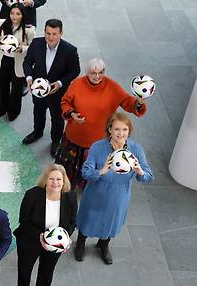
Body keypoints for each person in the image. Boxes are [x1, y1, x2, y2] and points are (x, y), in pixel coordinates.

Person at [55, 58, 147, 190]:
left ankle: (88, 187)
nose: (97, 76)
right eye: (93, 73)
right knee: (67, 172)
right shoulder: (76, 84)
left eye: (101, 72)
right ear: (87, 72)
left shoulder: (113, 87)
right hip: (74, 139)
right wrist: (72, 114)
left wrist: (139, 101)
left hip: (98, 142)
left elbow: (129, 103)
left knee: (94, 172)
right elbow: (65, 102)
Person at [75, 113, 153, 264]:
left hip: (119, 195)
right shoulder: (98, 147)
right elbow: (85, 173)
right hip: (96, 193)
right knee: (88, 219)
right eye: (117, 129)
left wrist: (139, 171)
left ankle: (103, 245)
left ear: (129, 131)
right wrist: (102, 170)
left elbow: (149, 176)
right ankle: (80, 243)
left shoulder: (136, 150)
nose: (121, 133)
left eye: (125, 129)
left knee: (110, 221)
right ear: (109, 129)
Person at [13, 164, 77, 286]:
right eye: (51, 179)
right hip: (30, 240)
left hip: (55, 244)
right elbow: (24, 220)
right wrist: (41, 236)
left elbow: (73, 221)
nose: (55, 183)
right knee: (25, 268)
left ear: (64, 180)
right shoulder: (32, 195)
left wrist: (65, 238)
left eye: (59, 179)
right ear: (45, 180)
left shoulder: (71, 197)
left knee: (47, 270)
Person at [22, 19, 80, 157]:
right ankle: (37, 132)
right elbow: (27, 63)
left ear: (61, 33)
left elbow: (75, 71)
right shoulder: (36, 44)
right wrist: (29, 78)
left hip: (57, 92)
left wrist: (60, 83)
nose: (50, 37)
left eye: (54, 34)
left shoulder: (70, 50)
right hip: (38, 90)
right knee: (38, 111)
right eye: (48, 33)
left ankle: (55, 141)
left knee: (57, 117)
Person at [0, 3, 35, 121]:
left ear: (22, 15)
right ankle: (1, 108)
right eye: (12, 13)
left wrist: (22, 48)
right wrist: (1, 44)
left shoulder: (29, 30)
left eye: (18, 14)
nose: (14, 16)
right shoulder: (3, 23)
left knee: (16, 89)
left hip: (18, 61)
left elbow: (33, 48)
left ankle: (13, 112)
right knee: (3, 85)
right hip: (4, 59)